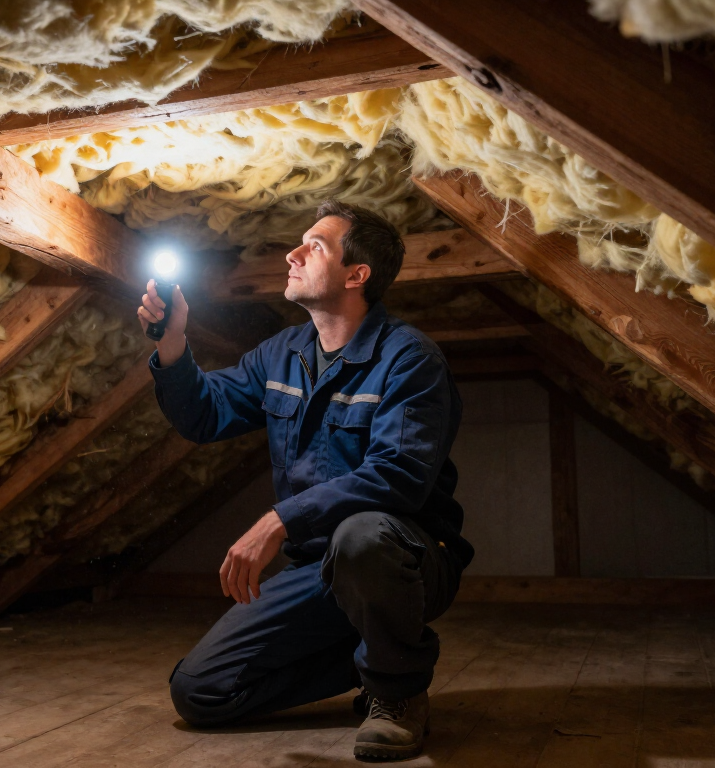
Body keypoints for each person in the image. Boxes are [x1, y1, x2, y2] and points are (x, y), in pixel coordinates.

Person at [135, 200, 473, 760]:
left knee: (361, 536)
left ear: (356, 274)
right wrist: (172, 343)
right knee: (200, 692)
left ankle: (398, 694)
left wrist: (279, 520)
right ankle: (376, 657)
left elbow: (398, 476)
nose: (292, 253)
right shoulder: (282, 354)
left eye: (314, 245)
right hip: (317, 568)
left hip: (406, 559)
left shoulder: (409, 359)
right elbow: (204, 414)